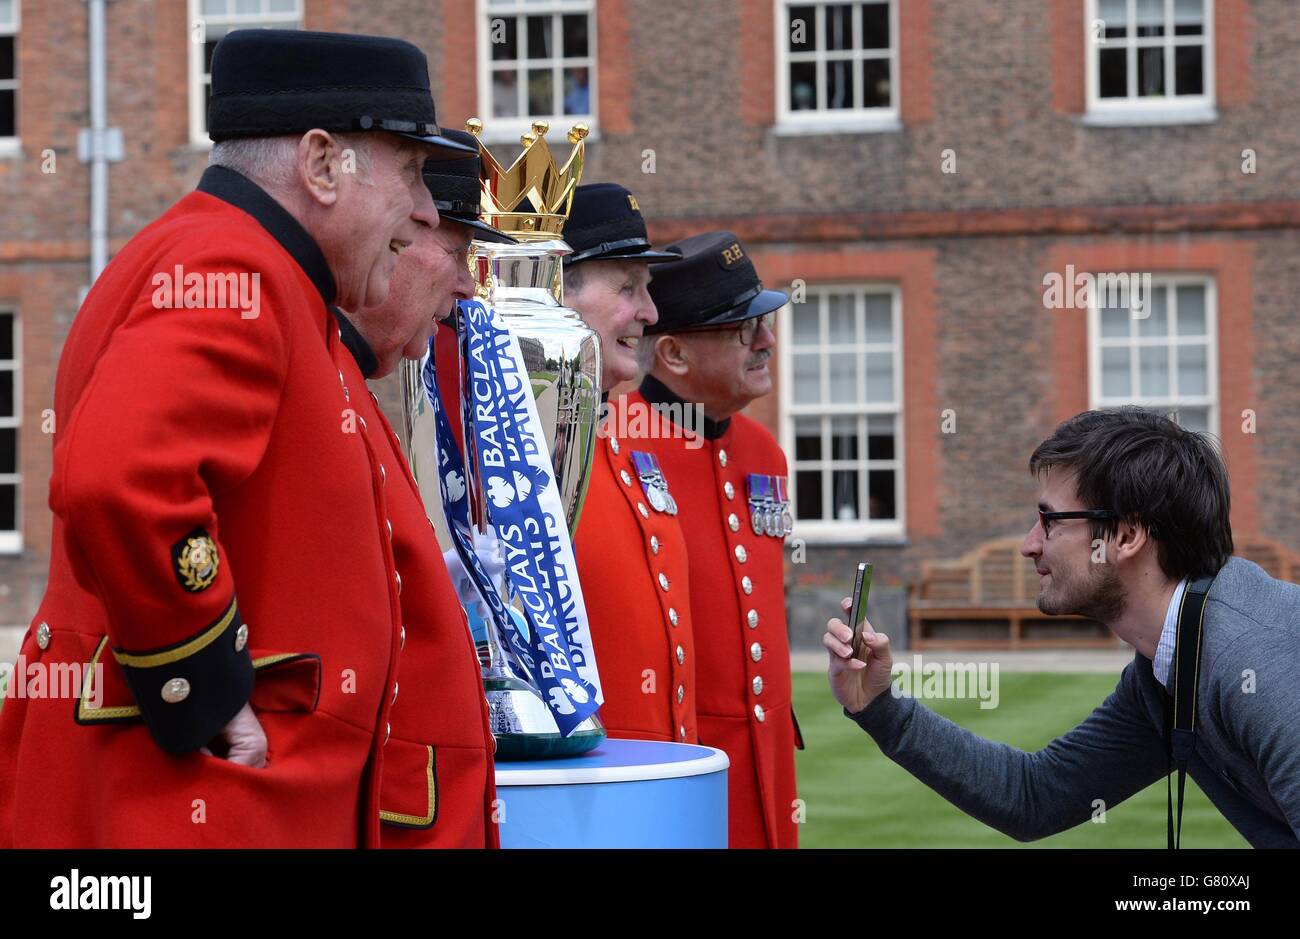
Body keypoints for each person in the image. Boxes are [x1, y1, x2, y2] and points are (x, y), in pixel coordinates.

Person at [0, 29, 478, 847]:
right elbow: (120, 477)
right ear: (323, 165)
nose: (427, 212)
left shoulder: (259, 272)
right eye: (408, 173)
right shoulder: (234, 264)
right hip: (193, 809)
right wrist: (202, 681)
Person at [824, 408, 1300, 848]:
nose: (1029, 545)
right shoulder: (1173, 662)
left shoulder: (1260, 661)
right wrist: (878, 707)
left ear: (1127, 536)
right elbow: (1037, 797)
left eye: (1049, 520)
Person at [335, 129, 516, 847]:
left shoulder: (349, 385)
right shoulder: (316, 375)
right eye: (458, 250)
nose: (471, 285)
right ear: (397, 239)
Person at [636, 231, 801, 848]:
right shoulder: (619, 450)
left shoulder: (763, 453)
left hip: (770, 765)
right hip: (684, 765)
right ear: (674, 354)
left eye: (763, 321)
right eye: (740, 329)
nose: (767, 342)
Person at [564, 183, 697, 744]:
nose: (651, 310)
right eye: (627, 287)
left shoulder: (620, 435)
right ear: (555, 293)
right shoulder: (512, 450)